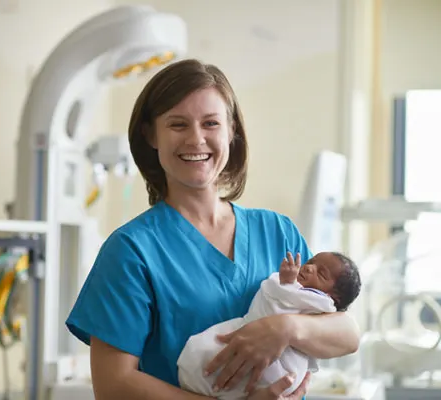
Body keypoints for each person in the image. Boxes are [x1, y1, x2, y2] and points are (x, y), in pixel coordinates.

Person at [65, 58, 360, 400]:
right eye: (177, 124)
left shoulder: (278, 232)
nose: (196, 139)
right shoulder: (132, 251)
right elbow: (114, 387)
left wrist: (283, 327)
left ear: (231, 130)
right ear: (150, 135)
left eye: (210, 123)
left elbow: (346, 332)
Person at [177, 251, 362, 399]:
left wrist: (286, 325)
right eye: (311, 261)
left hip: (284, 369)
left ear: (334, 298)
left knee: (201, 356)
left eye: (321, 273)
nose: (309, 267)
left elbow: (350, 335)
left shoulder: (319, 300)